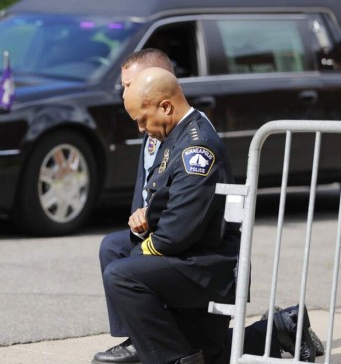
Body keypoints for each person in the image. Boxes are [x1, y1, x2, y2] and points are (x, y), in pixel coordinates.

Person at [93, 57, 323, 364]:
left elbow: (177, 233)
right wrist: (149, 216)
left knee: (123, 275)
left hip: (211, 264)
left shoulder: (196, 149)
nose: (141, 128)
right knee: (114, 247)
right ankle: (144, 341)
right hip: (194, 252)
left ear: (165, 106)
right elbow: (166, 200)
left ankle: (172, 357)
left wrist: (143, 246)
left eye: (143, 119)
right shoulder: (171, 135)